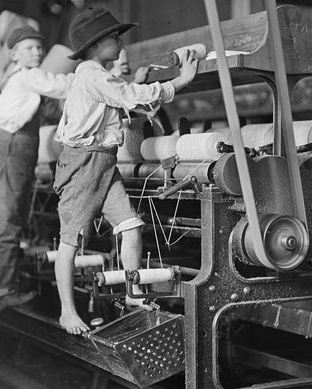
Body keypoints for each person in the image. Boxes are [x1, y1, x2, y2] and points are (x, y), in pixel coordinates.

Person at [53, 7, 199, 335]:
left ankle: (133, 293)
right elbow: (130, 96)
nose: (120, 42)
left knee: (131, 227)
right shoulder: (92, 74)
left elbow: (128, 98)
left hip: (104, 161)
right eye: (114, 37)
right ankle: (66, 311)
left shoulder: (98, 75)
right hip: (83, 163)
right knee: (71, 240)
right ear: (93, 46)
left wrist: (145, 86)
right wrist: (180, 82)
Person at [0, 26, 74, 311]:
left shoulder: (21, 79)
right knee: (9, 221)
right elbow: (60, 85)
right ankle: (3, 292)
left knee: (5, 220)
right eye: (30, 48)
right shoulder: (29, 76)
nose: (37, 52)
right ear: (13, 54)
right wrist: (91, 75)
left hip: (10, 147)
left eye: (39, 47)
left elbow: (48, 106)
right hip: (14, 149)